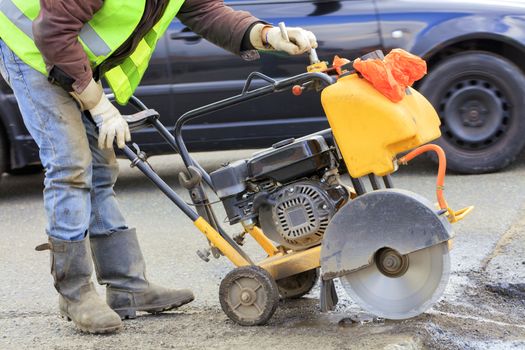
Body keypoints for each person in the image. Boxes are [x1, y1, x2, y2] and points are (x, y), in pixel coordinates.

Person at [0, 0, 317, 334]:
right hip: (31, 47)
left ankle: (127, 287)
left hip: (66, 47)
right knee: (70, 165)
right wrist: (100, 106)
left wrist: (268, 36)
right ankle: (74, 292)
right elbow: (52, 33)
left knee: (101, 167)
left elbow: (206, 12)